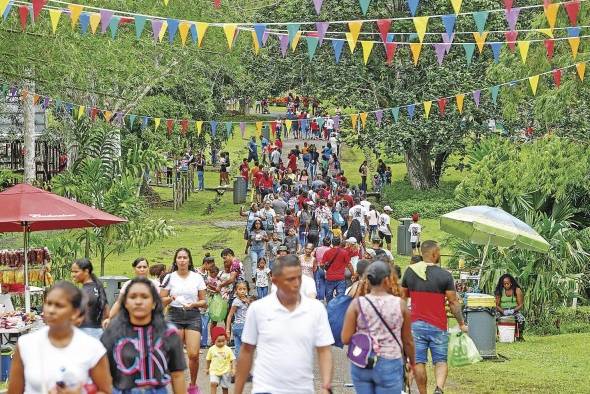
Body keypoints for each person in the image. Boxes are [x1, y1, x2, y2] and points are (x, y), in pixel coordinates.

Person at [234, 255, 334, 394]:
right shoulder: (258, 309)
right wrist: (237, 390)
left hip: (302, 389)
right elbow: (246, 351)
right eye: (290, 279)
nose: (296, 283)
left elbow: (324, 350)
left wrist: (326, 386)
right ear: (274, 281)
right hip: (265, 388)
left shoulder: (316, 309)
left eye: (299, 277)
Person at [8, 281, 112, 394]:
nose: (51, 310)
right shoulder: (26, 344)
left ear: (75, 312)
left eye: (59, 305)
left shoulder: (92, 348)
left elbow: (105, 390)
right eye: (48, 303)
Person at [401, 240, 467, 394]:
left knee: (418, 362)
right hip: (438, 325)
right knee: (441, 360)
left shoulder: (410, 272)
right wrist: (462, 323)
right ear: (434, 253)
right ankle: (439, 388)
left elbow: (402, 299)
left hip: (416, 325)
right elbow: (453, 303)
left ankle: (423, 392)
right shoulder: (445, 275)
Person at [102, 277, 187, 394]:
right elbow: (104, 374)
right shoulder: (113, 332)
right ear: (125, 303)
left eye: (144, 297)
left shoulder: (169, 332)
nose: (138, 301)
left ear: (154, 303)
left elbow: (177, 375)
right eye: (132, 297)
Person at [342, 261, 416, 393]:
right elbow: (408, 341)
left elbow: (346, 338)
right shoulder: (400, 305)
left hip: (362, 363)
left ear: (368, 280)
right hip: (390, 363)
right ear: (388, 280)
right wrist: (412, 363)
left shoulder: (357, 304)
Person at [160, 248, 207, 394]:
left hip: (193, 315)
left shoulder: (197, 277)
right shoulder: (169, 277)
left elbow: (204, 301)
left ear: (189, 260)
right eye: (179, 257)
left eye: (184, 257)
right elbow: (161, 301)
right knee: (175, 353)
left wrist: (194, 304)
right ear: (175, 260)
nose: (182, 260)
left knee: (193, 354)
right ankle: (177, 387)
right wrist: (171, 298)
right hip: (174, 315)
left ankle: (192, 385)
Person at [103, 257, 161, 327]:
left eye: (144, 267)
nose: (142, 269)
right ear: (134, 269)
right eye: (139, 267)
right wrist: (109, 318)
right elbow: (119, 302)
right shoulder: (128, 285)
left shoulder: (156, 285)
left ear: (148, 268)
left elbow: (161, 303)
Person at [70, 258, 109, 339]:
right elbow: (106, 312)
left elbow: (75, 317)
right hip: (99, 332)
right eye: (72, 272)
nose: (73, 275)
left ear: (86, 271)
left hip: (85, 334)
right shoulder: (98, 287)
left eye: (76, 272)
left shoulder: (84, 292)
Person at [322, 237, 355, 303]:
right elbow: (349, 265)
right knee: (341, 298)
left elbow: (322, 264)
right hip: (341, 278)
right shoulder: (344, 252)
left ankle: (330, 310)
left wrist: (326, 268)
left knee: (329, 297)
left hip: (330, 278)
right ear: (339, 243)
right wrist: (353, 274)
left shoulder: (327, 252)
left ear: (332, 243)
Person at [495, 274, 525, 340]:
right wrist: (503, 311)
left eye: (507, 284)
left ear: (511, 283)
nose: (506, 285)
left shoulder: (517, 290)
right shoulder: (500, 290)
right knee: (494, 318)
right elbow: (496, 305)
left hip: (514, 310)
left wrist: (513, 310)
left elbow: (520, 304)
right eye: (504, 284)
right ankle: (497, 336)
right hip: (502, 310)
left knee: (521, 319)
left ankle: (520, 336)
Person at [225, 281, 251, 360]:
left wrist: (248, 302)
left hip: (242, 327)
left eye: (244, 289)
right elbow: (229, 316)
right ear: (236, 291)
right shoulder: (236, 301)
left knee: (239, 349)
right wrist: (227, 330)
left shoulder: (247, 300)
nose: (242, 291)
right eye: (240, 289)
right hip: (241, 326)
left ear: (247, 290)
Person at [206, 327, 236, 394]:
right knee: (213, 384)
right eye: (219, 341)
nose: (221, 343)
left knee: (225, 387)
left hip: (225, 372)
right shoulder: (211, 349)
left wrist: (233, 368)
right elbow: (208, 359)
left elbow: (233, 359)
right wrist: (207, 368)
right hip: (214, 371)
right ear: (214, 340)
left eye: (223, 341)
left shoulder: (228, 349)